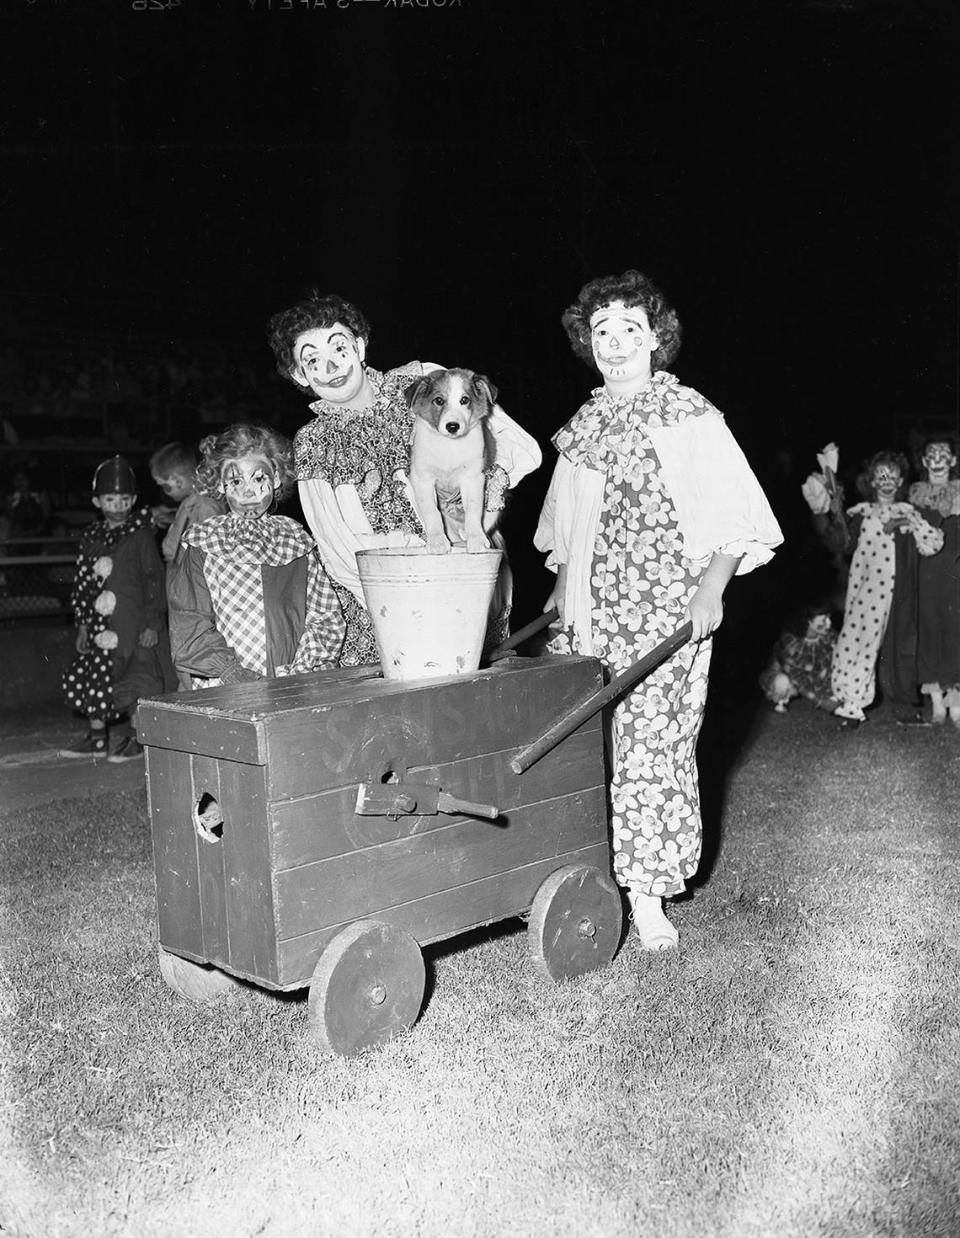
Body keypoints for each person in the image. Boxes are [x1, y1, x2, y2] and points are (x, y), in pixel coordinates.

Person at [534, 270, 782, 951]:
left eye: (630, 332)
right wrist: (562, 583)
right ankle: (588, 873)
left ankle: (647, 894)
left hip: (668, 606)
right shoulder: (584, 425)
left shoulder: (687, 414)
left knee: (652, 747)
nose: (614, 346)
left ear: (656, 339)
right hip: (593, 609)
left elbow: (733, 510)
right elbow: (566, 524)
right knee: (585, 742)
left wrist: (712, 586)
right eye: (601, 333)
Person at [267, 292, 542, 665]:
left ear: (360, 347)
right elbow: (338, 550)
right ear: (301, 375)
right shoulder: (314, 442)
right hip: (390, 611)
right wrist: (407, 603)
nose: (331, 366)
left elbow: (510, 446)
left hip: (467, 581)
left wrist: (486, 490)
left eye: (339, 349)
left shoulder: (423, 380)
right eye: (313, 360)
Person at [168, 423, 345, 686]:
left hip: (288, 682)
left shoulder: (295, 542)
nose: (247, 492)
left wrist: (301, 670)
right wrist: (229, 671)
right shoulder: (204, 543)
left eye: (258, 478)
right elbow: (188, 620)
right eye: (236, 481)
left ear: (275, 479)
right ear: (219, 483)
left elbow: (324, 614)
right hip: (223, 686)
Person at [59, 455, 168, 762]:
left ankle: (136, 739)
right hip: (97, 624)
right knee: (96, 675)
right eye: (110, 499)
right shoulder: (91, 536)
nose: (117, 505)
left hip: (132, 623)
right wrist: (82, 622)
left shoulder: (141, 535)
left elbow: (153, 581)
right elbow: (82, 580)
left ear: (132, 499)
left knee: (136, 675)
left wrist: (151, 623)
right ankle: (97, 739)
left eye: (123, 499)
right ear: (97, 500)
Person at [830, 450, 943, 725]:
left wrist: (904, 522)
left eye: (893, 476)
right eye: (881, 475)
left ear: (901, 480)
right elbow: (843, 543)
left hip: (894, 591)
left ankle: (905, 706)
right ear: (871, 480)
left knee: (901, 645)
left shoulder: (907, 511)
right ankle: (850, 704)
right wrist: (836, 513)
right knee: (854, 641)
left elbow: (933, 542)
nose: (887, 481)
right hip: (862, 591)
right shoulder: (862, 512)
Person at [907, 435, 960, 725]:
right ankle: (937, 702)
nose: (938, 462)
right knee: (929, 630)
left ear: (953, 461)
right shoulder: (915, 492)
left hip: (955, 572)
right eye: (932, 456)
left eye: (944, 456)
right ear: (924, 461)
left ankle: (956, 703)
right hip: (926, 573)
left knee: (955, 632)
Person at [149, 441, 227, 571]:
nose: (163, 491)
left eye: (164, 486)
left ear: (178, 482)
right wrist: (174, 521)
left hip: (191, 575)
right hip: (180, 570)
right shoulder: (190, 501)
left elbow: (212, 548)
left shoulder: (206, 505)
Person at [758, 606, 837, 713]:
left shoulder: (828, 634)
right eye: (823, 620)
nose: (829, 623)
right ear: (808, 621)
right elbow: (796, 677)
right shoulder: (792, 644)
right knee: (782, 682)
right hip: (789, 676)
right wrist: (821, 701)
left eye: (829, 617)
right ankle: (781, 699)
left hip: (809, 674)